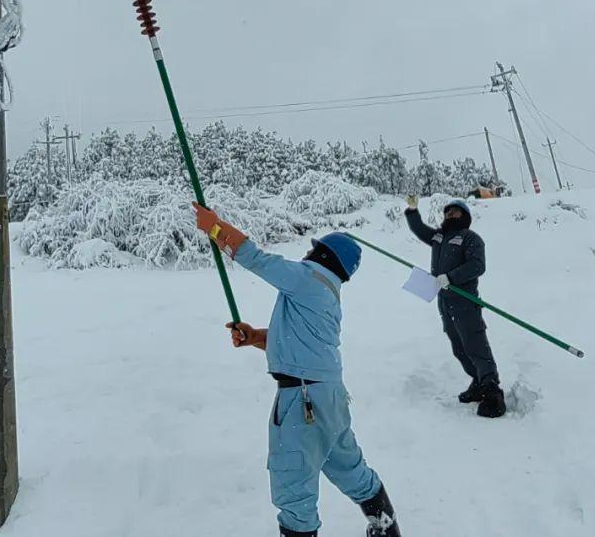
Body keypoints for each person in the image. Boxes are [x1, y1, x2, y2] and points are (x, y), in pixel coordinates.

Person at [193, 203, 401, 537]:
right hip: (329, 395)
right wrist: (256, 338)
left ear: (325, 256)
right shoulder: (327, 292)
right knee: (347, 466)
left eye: (314, 249)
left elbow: (258, 259)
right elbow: (300, 345)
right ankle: (386, 526)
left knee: (294, 484)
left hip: (304, 399)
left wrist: (216, 229)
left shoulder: (309, 277)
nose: (307, 252)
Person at [404, 197, 506, 418]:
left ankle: (492, 390)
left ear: (465, 216)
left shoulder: (470, 238)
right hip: (445, 302)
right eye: (448, 212)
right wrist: (412, 211)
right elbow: (420, 229)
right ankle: (478, 381)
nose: (450, 215)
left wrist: (451, 277)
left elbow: (478, 265)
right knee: (458, 347)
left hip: (465, 301)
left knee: (475, 344)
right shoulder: (439, 237)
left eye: (456, 212)